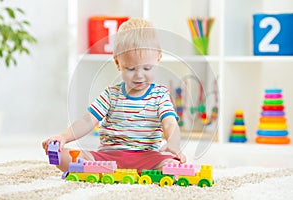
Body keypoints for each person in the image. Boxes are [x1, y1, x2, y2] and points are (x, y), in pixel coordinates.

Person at [42, 18, 186, 173]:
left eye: (147, 68)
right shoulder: (111, 94)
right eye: (130, 69)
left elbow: (170, 123)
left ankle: (102, 172)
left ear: (158, 59)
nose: (139, 75)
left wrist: (173, 143)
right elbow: (87, 121)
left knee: (173, 164)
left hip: (147, 158)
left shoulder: (160, 95)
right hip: (108, 157)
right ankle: (101, 169)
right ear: (118, 63)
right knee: (63, 156)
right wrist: (63, 137)